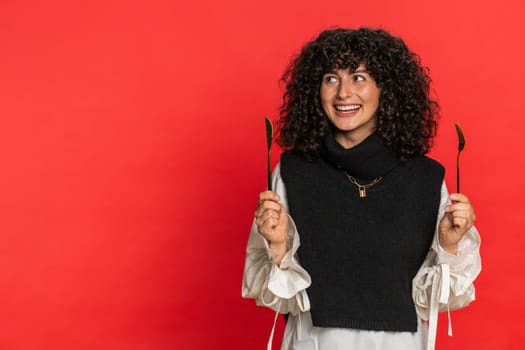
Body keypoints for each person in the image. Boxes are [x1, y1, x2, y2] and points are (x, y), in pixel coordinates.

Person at [242, 28, 481, 350]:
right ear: (316, 89)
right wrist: (277, 248)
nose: (343, 93)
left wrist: (449, 248)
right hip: (314, 342)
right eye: (330, 78)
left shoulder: (425, 177)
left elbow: (436, 300)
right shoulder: (291, 172)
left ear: (387, 89)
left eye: (358, 78)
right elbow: (277, 296)